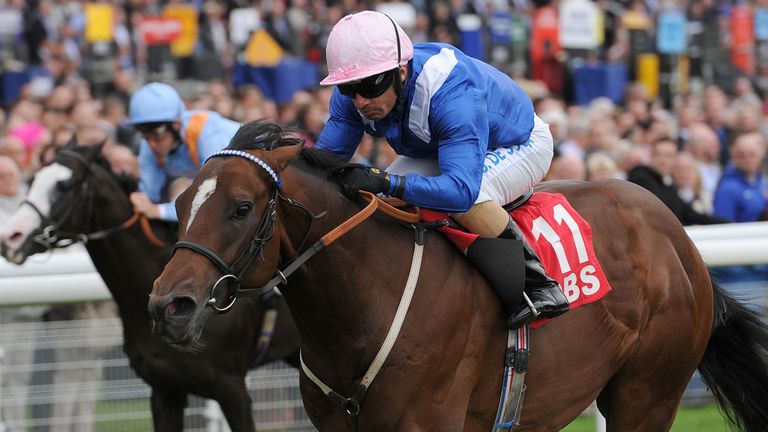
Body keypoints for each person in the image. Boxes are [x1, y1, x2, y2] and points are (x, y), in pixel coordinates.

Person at [313, 10, 569, 329]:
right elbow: (323, 165)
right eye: (350, 88)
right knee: (385, 208)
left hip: (517, 143)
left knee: (469, 199)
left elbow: (461, 191)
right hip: (441, 145)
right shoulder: (355, 95)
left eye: (370, 86)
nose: (362, 100)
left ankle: (538, 285)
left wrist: (386, 180)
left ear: (401, 72)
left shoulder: (450, 92)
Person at [128, 82, 241, 221]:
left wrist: (159, 211)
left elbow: (216, 203)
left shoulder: (208, 136)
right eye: (144, 134)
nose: (151, 144)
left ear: (176, 125)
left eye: (157, 133)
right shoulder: (150, 143)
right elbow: (148, 198)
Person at [627, 138, 725, 226]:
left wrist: (725, 223)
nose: (663, 160)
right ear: (651, 157)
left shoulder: (667, 185)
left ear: (675, 159)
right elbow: (661, 213)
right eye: (658, 154)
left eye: (668, 156)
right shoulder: (640, 176)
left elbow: (689, 214)